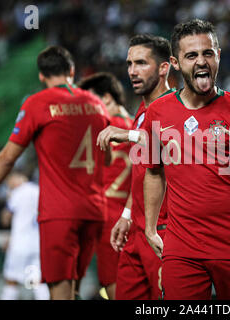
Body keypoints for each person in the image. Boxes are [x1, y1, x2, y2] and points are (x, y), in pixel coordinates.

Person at [0, 46, 111, 300]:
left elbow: (7, 157)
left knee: (59, 292)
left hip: (59, 213)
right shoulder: (96, 104)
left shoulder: (38, 103)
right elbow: (106, 158)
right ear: (72, 71)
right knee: (75, 290)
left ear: (42, 76)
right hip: (95, 211)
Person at [142, 19, 230, 300]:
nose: (201, 61)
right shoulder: (157, 113)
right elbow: (153, 172)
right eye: (191, 55)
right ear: (176, 63)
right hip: (182, 250)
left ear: (218, 56)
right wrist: (151, 227)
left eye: (208, 53)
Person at [97, 34, 174, 300]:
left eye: (141, 63)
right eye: (129, 64)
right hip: (136, 231)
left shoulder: (179, 108)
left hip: (165, 231)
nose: (132, 71)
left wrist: (127, 135)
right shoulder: (141, 111)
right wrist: (127, 214)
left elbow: (168, 154)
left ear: (164, 67)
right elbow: (141, 170)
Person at [78, 72, 133, 300]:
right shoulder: (138, 127)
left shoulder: (102, 130)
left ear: (107, 99)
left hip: (108, 217)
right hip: (136, 216)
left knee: (113, 283)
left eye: (91, 103)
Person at [0, 171, 49, 300]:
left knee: (11, 281)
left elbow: (6, 218)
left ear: (16, 178)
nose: (8, 185)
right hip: (37, 243)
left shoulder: (17, 193)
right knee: (37, 281)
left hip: (19, 244)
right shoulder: (39, 190)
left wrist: (8, 198)